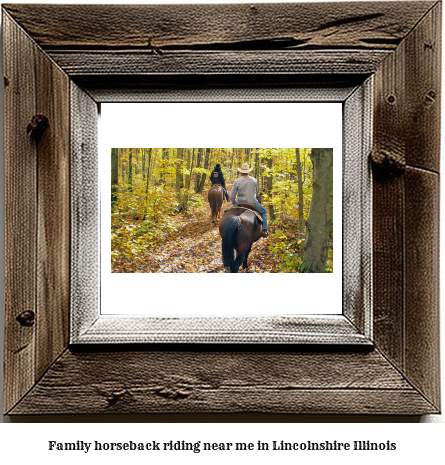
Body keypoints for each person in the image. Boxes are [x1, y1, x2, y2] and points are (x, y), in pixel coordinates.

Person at [229, 163, 268, 237]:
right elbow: (256, 193)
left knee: (227, 213)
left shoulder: (237, 181)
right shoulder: (254, 180)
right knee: (264, 212)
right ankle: (265, 230)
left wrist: (234, 202)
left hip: (240, 202)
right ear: (248, 171)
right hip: (252, 203)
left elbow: (231, 196)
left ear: (241, 171)